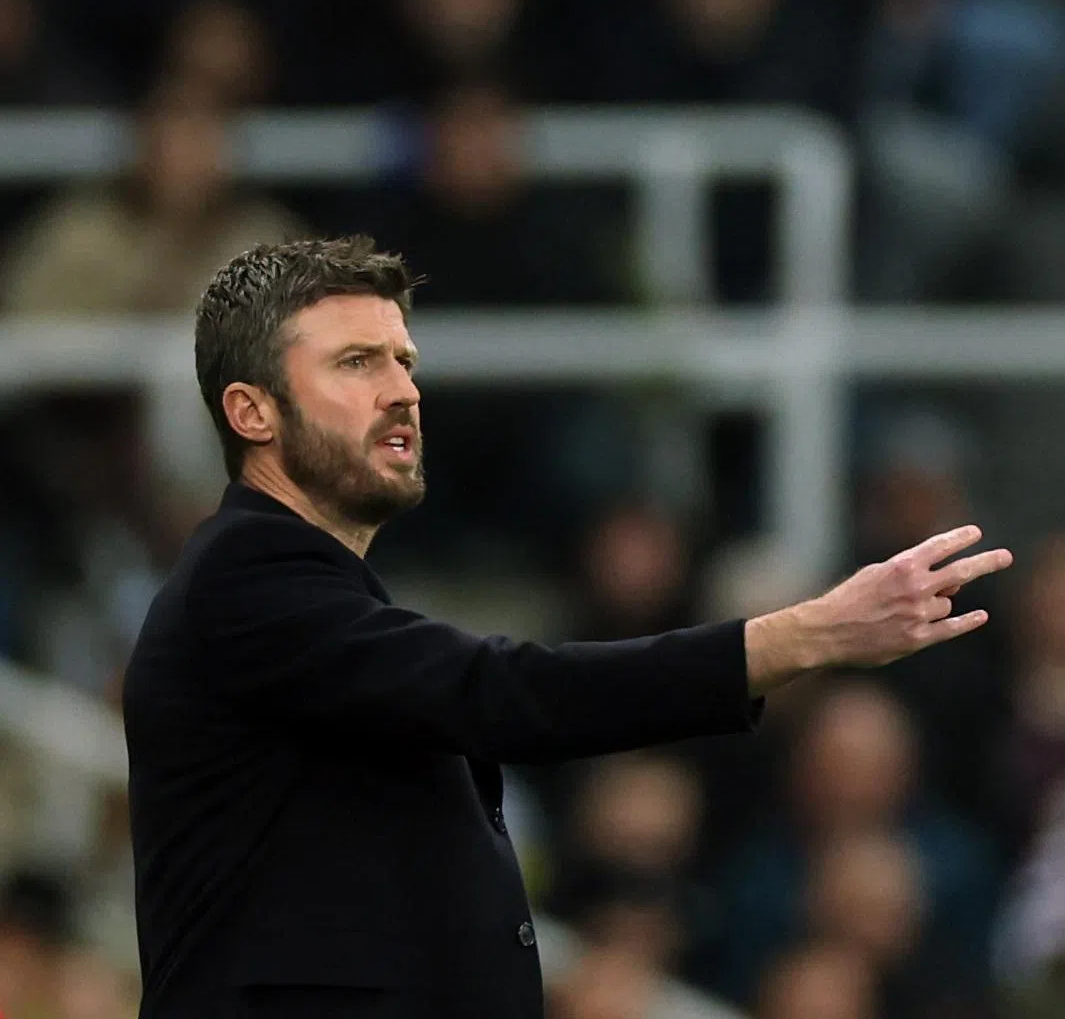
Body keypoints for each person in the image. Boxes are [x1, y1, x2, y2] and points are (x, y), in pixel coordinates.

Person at [122, 235, 1013, 1019]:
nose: (403, 391)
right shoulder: (249, 583)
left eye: (405, 360)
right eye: (357, 362)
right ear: (253, 411)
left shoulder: (310, 595)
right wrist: (810, 634)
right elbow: (505, 693)